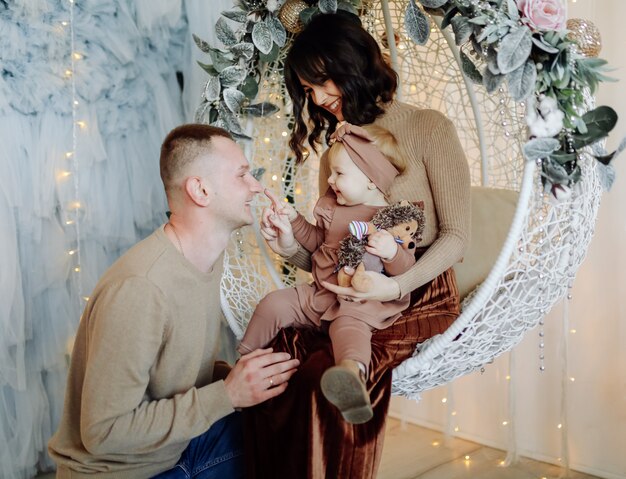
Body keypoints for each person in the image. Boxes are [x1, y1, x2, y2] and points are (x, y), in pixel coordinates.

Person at [243, 12, 471, 479]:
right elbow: (330, 253)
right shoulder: (337, 151)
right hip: (344, 284)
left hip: (412, 287)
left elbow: (456, 237)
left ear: (355, 65)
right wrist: (289, 244)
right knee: (286, 350)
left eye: (324, 82)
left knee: (321, 375)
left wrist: (395, 285)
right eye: (308, 90)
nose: (320, 99)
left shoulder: (429, 128)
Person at [48, 124, 300, 479]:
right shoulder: (140, 289)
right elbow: (103, 433)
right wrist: (228, 394)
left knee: (295, 432)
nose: (256, 186)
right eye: (243, 175)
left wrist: (249, 381)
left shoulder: (207, 260)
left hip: (178, 448)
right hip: (126, 471)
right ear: (200, 190)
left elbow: (175, 369)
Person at [238, 123, 419, 424]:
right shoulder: (333, 208)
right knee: (274, 304)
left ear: (372, 181)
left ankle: (351, 376)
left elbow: (406, 272)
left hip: (360, 301)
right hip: (320, 294)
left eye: (339, 174)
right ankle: (243, 361)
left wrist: (391, 253)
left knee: (349, 329)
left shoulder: (394, 219)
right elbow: (317, 244)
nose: (331, 180)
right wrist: (293, 221)